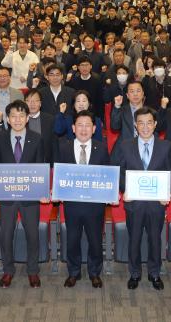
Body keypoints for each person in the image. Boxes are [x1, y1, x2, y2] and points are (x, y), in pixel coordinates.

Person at [111, 107, 171, 291]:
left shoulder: (166, 146)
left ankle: (154, 273)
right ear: (135, 125)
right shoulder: (125, 145)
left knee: (155, 239)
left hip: (156, 204)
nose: (145, 127)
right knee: (134, 239)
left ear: (155, 124)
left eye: (149, 123)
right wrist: (125, 189)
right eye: (141, 123)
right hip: (134, 203)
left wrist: (166, 192)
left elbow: (169, 172)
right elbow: (119, 171)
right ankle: (135, 273)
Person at [54, 110, 111, 288]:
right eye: (80, 125)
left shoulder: (101, 148)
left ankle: (95, 273)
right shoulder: (63, 147)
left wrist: (109, 193)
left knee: (95, 240)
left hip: (95, 205)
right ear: (73, 128)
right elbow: (59, 174)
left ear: (94, 129)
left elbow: (107, 175)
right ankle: (73, 272)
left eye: (88, 125)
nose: (84, 129)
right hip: (72, 205)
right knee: (72, 239)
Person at [0, 100, 47, 288]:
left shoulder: (36, 138)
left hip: (30, 196)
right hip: (6, 195)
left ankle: (33, 271)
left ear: (27, 118)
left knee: (32, 234)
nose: (17, 120)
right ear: (7, 119)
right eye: (13, 116)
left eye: (21, 116)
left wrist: (41, 190)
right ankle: (8, 270)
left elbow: (40, 165)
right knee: (6, 235)